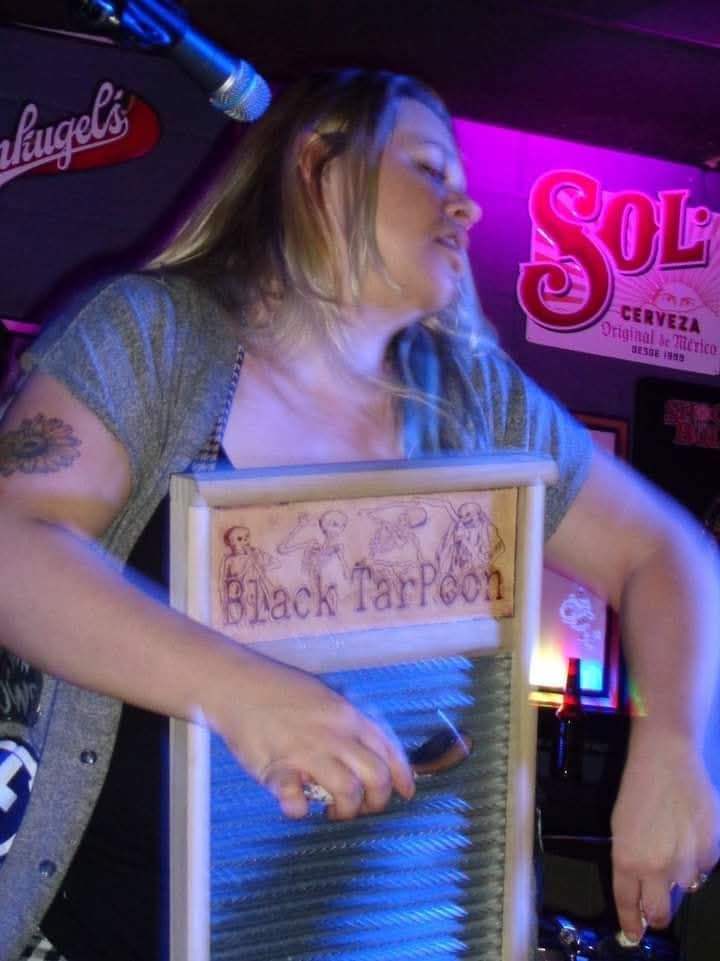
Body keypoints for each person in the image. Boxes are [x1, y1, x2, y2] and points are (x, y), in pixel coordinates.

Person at [0, 68, 717, 960]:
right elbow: (14, 543)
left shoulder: (475, 405)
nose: (467, 208)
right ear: (320, 167)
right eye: (429, 170)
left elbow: (668, 552)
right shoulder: (158, 335)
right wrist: (243, 691)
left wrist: (676, 740)